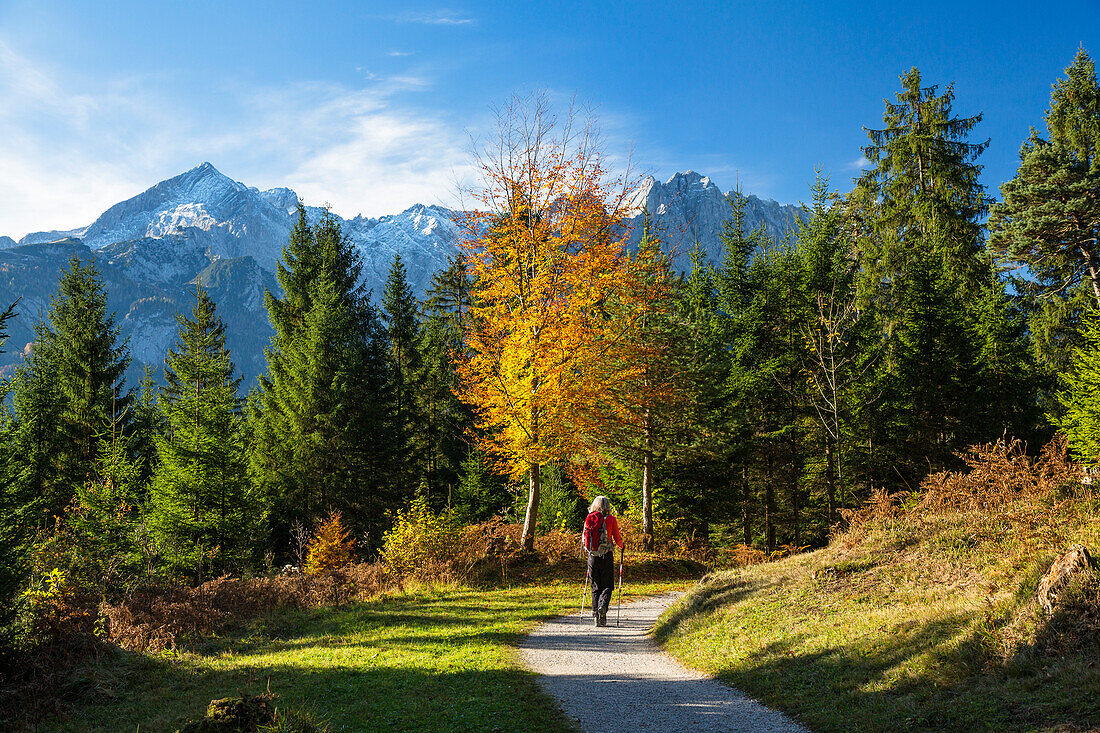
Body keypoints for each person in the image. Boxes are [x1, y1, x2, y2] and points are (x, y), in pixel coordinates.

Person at [583, 495, 624, 627]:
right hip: (606, 555)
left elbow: (585, 537)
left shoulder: (590, 517)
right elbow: (617, 538)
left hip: (593, 556)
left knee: (595, 586)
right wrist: (622, 546)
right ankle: (602, 607)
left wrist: (589, 549)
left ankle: (596, 616)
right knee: (607, 585)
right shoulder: (611, 519)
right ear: (607, 505)